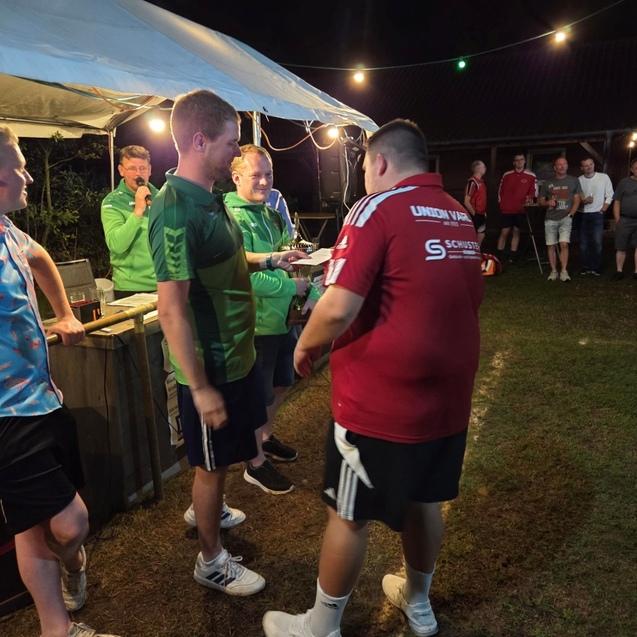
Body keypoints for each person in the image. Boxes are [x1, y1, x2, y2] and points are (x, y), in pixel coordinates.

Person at [262, 119, 483, 637]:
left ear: (379, 162)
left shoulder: (375, 207)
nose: (364, 177)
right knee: (425, 498)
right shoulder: (456, 213)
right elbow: (467, 296)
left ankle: (322, 625)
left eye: (364, 167)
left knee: (349, 512)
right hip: (447, 396)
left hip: (380, 400)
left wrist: (305, 345)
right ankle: (419, 602)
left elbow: (338, 305)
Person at [147, 90, 304, 596]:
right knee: (211, 466)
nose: (237, 153)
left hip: (238, 354)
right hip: (210, 365)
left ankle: (207, 509)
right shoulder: (175, 210)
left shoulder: (210, 197)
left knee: (222, 459)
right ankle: (211, 560)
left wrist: (270, 260)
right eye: (231, 143)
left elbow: (227, 259)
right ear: (199, 140)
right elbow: (171, 307)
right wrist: (199, 388)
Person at [0, 125, 118, 637]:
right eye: (20, 166)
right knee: (71, 523)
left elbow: (40, 257)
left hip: (45, 399)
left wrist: (65, 312)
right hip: (7, 417)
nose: (28, 176)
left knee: (34, 529)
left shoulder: (7, 229)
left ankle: (58, 629)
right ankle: (73, 567)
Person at [225, 144, 320, 494]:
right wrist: (291, 287)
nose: (264, 182)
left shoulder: (272, 213)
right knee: (256, 395)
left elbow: (289, 258)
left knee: (282, 383)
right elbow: (243, 277)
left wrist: (307, 288)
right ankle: (254, 462)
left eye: (268, 174)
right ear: (236, 177)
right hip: (254, 325)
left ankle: (264, 437)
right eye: (256, 175)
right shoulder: (230, 217)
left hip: (282, 319)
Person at [100, 145, 158, 298]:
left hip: (165, 284)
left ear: (150, 170)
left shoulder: (161, 197)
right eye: (132, 168)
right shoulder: (112, 202)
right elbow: (116, 245)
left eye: (142, 168)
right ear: (121, 170)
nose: (138, 173)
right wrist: (138, 211)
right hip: (130, 289)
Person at [539, 157, 582, 282]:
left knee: (564, 244)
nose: (562, 166)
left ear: (567, 166)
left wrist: (571, 214)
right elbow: (541, 200)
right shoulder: (547, 183)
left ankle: (564, 271)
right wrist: (547, 202)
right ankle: (553, 271)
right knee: (551, 245)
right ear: (555, 167)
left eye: (564, 164)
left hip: (566, 218)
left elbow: (577, 199)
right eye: (559, 164)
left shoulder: (574, 180)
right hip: (550, 218)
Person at [496, 153, 536, 263]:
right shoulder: (507, 175)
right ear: (514, 162)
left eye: (521, 160)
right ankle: (499, 255)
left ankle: (512, 256)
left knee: (516, 231)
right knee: (504, 232)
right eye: (517, 160)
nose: (519, 162)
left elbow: (533, 192)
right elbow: (500, 191)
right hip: (507, 209)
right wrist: (502, 204)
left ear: (524, 161)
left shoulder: (531, 175)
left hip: (521, 210)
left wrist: (528, 202)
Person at [578, 158, 613, 276]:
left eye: (591, 164)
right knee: (583, 243)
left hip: (597, 214)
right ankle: (585, 267)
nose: (589, 167)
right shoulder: (579, 180)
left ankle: (596, 267)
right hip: (582, 213)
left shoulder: (603, 177)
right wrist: (583, 201)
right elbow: (576, 198)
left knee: (597, 242)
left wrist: (604, 208)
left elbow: (610, 194)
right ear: (582, 168)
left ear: (593, 165)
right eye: (585, 165)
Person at [611, 157, 637, 280]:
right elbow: (617, 201)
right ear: (631, 169)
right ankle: (619, 271)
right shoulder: (624, 182)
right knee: (621, 246)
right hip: (625, 220)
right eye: (636, 168)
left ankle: (636, 272)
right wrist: (617, 219)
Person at [464, 160, 487, 247]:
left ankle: (477, 252)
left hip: (481, 214)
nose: (485, 168)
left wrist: (483, 213)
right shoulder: (472, 182)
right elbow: (466, 201)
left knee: (481, 234)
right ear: (478, 168)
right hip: (474, 214)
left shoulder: (482, 182)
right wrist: (474, 214)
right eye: (483, 166)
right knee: (472, 236)